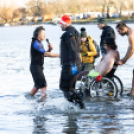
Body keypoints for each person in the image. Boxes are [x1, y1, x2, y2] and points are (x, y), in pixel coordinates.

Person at [30, 26, 59, 98]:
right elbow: (45, 54)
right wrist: (59, 55)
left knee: (37, 86)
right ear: (38, 35)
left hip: (36, 67)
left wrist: (49, 50)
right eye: (43, 34)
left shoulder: (37, 43)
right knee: (43, 86)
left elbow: (44, 54)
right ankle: (43, 104)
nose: (45, 35)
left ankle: (29, 98)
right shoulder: (36, 43)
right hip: (36, 68)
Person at [59, 14, 81, 102]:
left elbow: (73, 49)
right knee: (69, 87)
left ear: (64, 24)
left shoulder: (69, 33)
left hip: (70, 65)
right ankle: (75, 106)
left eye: (61, 24)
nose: (60, 26)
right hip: (72, 64)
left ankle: (77, 106)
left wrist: (73, 65)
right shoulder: (75, 32)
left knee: (66, 87)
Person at [116, 22, 134, 96]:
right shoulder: (130, 33)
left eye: (119, 31)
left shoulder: (131, 35)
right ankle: (132, 91)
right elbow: (129, 48)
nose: (118, 33)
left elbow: (132, 50)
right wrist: (124, 58)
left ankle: (132, 92)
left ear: (123, 29)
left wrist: (124, 60)